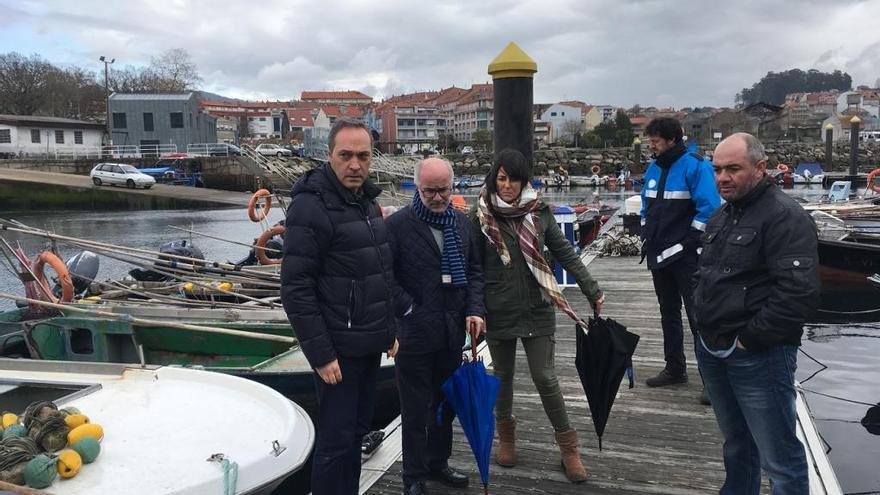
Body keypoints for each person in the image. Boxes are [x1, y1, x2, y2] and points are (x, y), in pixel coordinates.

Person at [280, 117, 406, 495]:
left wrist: (390, 331)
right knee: (335, 444)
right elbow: (296, 287)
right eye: (346, 155)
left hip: (368, 346)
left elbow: (378, 273)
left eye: (363, 156)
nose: (355, 164)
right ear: (329, 156)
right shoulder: (310, 208)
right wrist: (320, 354)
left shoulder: (365, 202)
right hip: (337, 353)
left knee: (354, 436)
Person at [694, 133, 819, 494]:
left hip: (758, 356)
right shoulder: (721, 215)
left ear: (760, 168)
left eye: (733, 169)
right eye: (717, 169)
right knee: (736, 445)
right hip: (713, 349)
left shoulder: (785, 217)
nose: (722, 178)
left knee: (780, 459)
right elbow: (704, 273)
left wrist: (749, 340)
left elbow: (798, 293)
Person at [470, 148, 604, 483]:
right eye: (501, 178)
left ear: (523, 180)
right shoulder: (480, 215)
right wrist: (470, 308)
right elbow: (472, 268)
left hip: (537, 308)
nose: (507, 186)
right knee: (501, 376)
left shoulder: (540, 212)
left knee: (545, 377)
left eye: (513, 178)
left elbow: (565, 254)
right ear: (493, 179)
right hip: (497, 310)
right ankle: (507, 438)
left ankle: (568, 449)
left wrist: (592, 289)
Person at [386, 157, 486, 495]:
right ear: (417, 187)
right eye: (430, 190)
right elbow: (386, 279)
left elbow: (474, 272)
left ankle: (437, 463)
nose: (438, 197)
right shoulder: (397, 226)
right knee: (414, 412)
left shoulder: (462, 222)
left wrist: (475, 310)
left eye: (443, 189)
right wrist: (410, 308)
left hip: (451, 332)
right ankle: (412, 477)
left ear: (452, 186)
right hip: (413, 335)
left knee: (445, 406)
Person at [640, 117, 720, 396]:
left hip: (687, 257)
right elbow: (646, 204)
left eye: (656, 141)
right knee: (668, 313)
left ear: (672, 140)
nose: (652, 146)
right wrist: (643, 228)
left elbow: (709, 209)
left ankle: (712, 381)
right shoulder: (653, 167)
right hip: (659, 254)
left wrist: (689, 243)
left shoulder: (696, 166)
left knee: (698, 316)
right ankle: (675, 368)